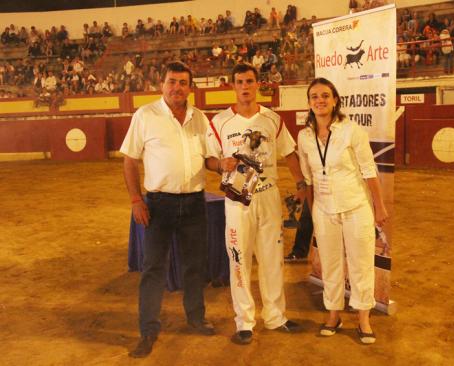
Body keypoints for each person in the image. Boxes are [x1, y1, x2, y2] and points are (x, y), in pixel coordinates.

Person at [205, 63, 306, 345]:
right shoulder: (220, 121)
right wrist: (219, 165)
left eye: (250, 81)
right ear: (233, 85)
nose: (245, 86)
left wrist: (300, 184)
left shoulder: (273, 119)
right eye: (240, 81)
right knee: (239, 258)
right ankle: (244, 321)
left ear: (258, 84)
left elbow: (289, 153)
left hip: (268, 195)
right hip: (237, 200)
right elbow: (208, 159)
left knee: (272, 258)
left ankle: (276, 316)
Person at [120, 61, 214, 358]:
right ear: (162, 84)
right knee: (153, 269)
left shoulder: (200, 118)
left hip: (195, 203)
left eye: (183, 82)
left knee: (194, 265)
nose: (177, 87)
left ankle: (196, 319)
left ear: (190, 87)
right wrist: (136, 199)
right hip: (158, 205)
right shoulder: (145, 115)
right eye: (172, 81)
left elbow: (210, 158)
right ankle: (148, 331)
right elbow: (129, 160)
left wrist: (223, 165)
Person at [296, 78, 388, 345]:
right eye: (314, 96)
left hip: (356, 206)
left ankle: (363, 318)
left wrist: (379, 206)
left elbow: (369, 171)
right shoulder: (304, 137)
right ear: (309, 103)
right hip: (324, 211)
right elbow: (309, 177)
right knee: (331, 264)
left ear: (335, 99)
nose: (320, 100)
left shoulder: (352, 131)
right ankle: (333, 314)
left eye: (325, 95)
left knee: (360, 263)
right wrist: (313, 212)